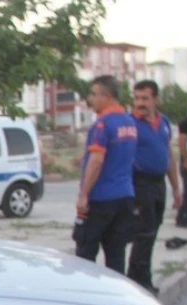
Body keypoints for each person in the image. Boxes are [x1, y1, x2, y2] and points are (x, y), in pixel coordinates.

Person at [73, 75, 138, 275]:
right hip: (124, 196)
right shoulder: (129, 122)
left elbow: (97, 160)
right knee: (116, 254)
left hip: (101, 198)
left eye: (93, 94)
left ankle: (88, 298)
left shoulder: (102, 125)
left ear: (107, 96)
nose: (90, 99)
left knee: (86, 253)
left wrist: (84, 194)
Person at [127, 80, 182, 293]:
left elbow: (169, 156)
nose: (140, 103)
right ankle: (139, 281)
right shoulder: (130, 124)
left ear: (155, 99)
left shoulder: (165, 123)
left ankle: (141, 277)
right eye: (137, 98)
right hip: (140, 184)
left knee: (152, 231)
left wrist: (176, 189)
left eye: (145, 98)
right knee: (143, 233)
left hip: (159, 184)